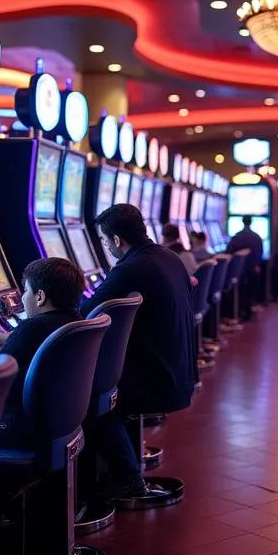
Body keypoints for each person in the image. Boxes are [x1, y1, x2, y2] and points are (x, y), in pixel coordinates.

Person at [80, 203, 196, 499]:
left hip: (156, 375)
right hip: (177, 367)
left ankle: (128, 481)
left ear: (117, 240)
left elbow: (84, 312)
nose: (106, 247)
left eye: (105, 241)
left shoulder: (132, 266)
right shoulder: (167, 256)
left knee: (95, 401)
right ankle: (125, 471)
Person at [0, 257, 84, 444]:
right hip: (60, 419)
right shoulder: (76, 321)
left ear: (40, 297)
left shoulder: (31, 328)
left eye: (26, 291)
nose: (22, 297)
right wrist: (3, 338)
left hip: (20, 426)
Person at [226, 215, 264, 319]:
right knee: (251, 286)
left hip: (236, 272)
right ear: (251, 222)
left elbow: (228, 252)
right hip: (252, 271)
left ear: (242, 222)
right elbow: (260, 254)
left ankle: (237, 311)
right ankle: (249, 309)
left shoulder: (237, 237)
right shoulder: (256, 237)